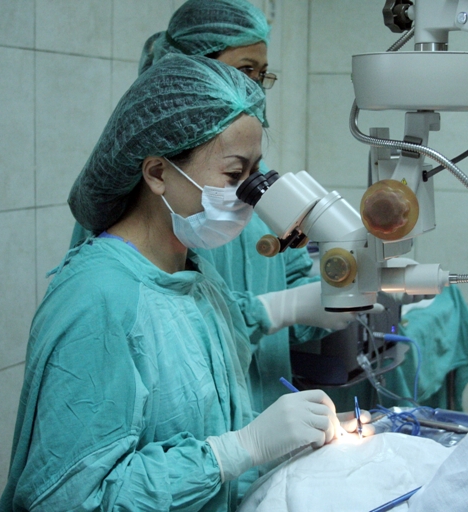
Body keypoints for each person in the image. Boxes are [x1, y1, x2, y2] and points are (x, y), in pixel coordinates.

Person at [0, 54, 371, 512]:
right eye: (234, 175)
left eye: (255, 173)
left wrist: (287, 438)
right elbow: (68, 499)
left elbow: (207, 384)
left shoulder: (191, 272)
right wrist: (236, 451)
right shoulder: (98, 299)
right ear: (158, 174)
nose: (250, 194)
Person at [69, 0, 351, 415]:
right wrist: (273, 311)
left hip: (250, 405)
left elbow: (278, 283)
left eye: (262, 74)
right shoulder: (144, 220)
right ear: (189, 72)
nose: (255, 88)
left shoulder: (239, 183)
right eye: (245, 70)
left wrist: (331, 293)